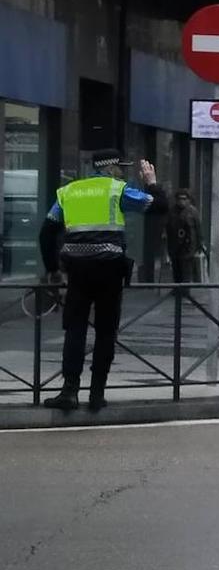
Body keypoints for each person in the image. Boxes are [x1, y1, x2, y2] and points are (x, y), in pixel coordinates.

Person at [39, 150, 168, 412]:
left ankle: (69, 392)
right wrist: (152, 182)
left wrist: (53, 269)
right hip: (109, 270)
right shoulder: (117, 190)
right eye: (120, 167)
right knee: (106, 332)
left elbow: (46, 232)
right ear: (110, 167)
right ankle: (97, 395)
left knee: (74, 330)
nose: (122, 171)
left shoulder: (69, 191)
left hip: (77, 271)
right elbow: (159, 206)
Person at [165, 188, 204, 283]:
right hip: (175, 246)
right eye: (179, 199)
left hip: (188, 246)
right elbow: (168, 229)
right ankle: (177, 291)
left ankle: (185, 290)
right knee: (176, 270)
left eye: (184, 199)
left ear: (188, 200)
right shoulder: (172, 212)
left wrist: (199, 245)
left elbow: (198, 229)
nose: (181, 201)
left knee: (186, 271)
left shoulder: (193, 212)